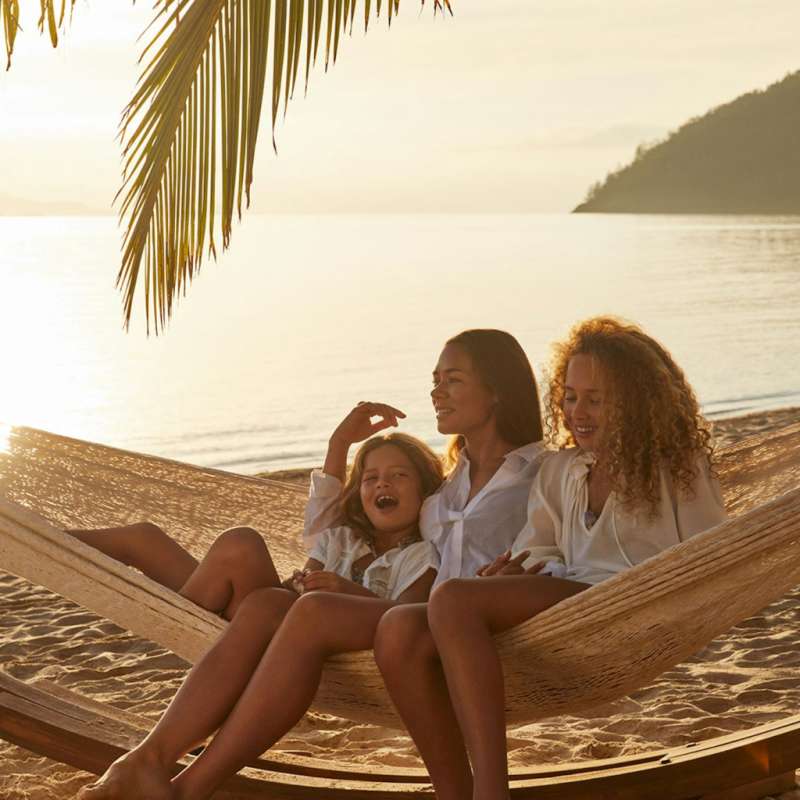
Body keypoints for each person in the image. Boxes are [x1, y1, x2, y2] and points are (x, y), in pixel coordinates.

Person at [391, 317, 729, 800]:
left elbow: (712, 555)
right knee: (428, 615)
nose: (578, 411)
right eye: (570, 396)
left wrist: (667, 601)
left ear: (635, 400)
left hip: (635, 602)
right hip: (570, 603)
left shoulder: (677, 468)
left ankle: (490, 790)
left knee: (452, 600)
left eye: (596, 398)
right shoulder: (560, 469)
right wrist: (512, 571)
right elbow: (540, 546)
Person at [78, 429, 444, 800]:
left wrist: (345, 591)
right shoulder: (340, 538)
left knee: (266, 599)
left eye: (399, 475)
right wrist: (302, 581)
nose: (383, 483)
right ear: (359, 494)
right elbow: (304, 573)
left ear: (427, 490)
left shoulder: (421, 555)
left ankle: (146, 762)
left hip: (326, 645)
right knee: (235, 542)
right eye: (370, 478)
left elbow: (406, 616)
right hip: (271, 626)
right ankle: (26, 532)